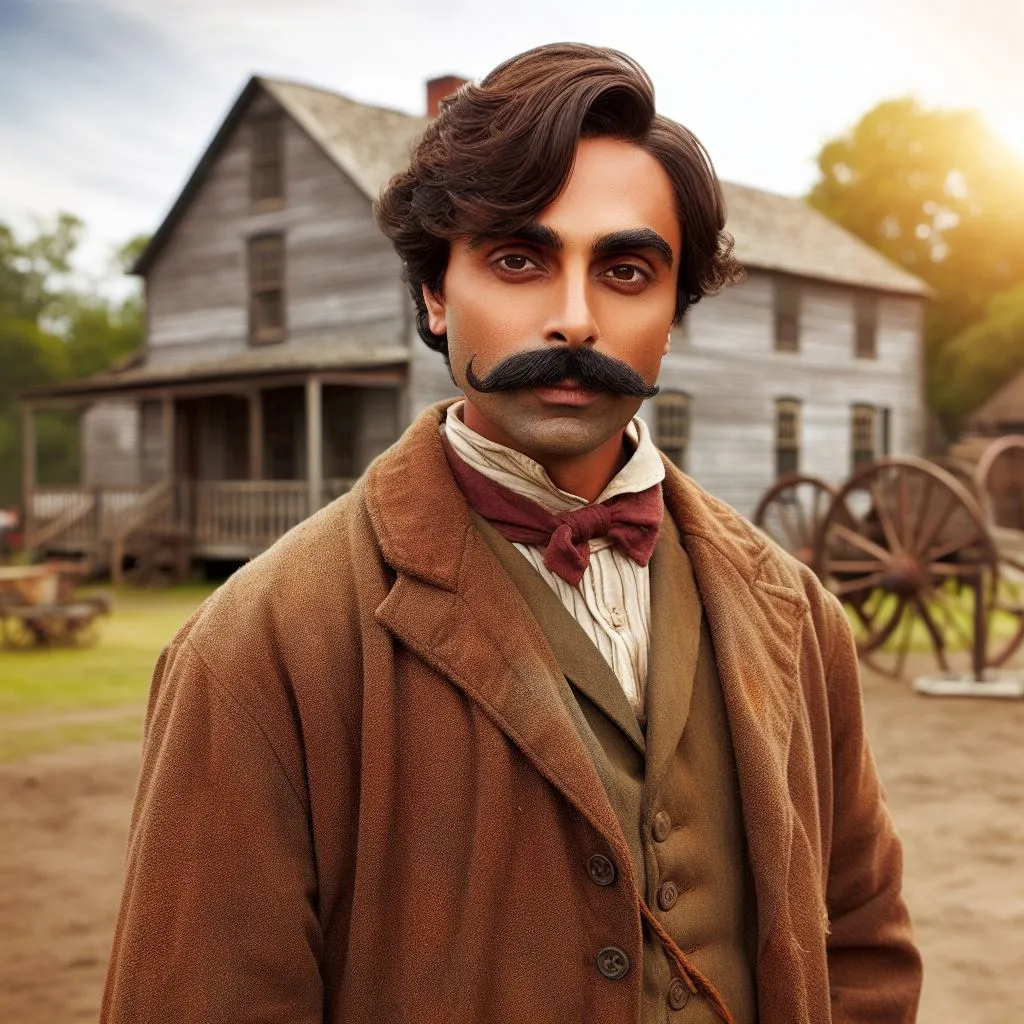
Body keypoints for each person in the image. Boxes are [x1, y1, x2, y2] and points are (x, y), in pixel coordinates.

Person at [101, 43, 921, 1024]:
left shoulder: (798, 617)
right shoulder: (257, 648)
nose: (573, 319)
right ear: (437, 296)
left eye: (625, 269)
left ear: (674, 312)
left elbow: (864, 945)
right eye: (519, 259)